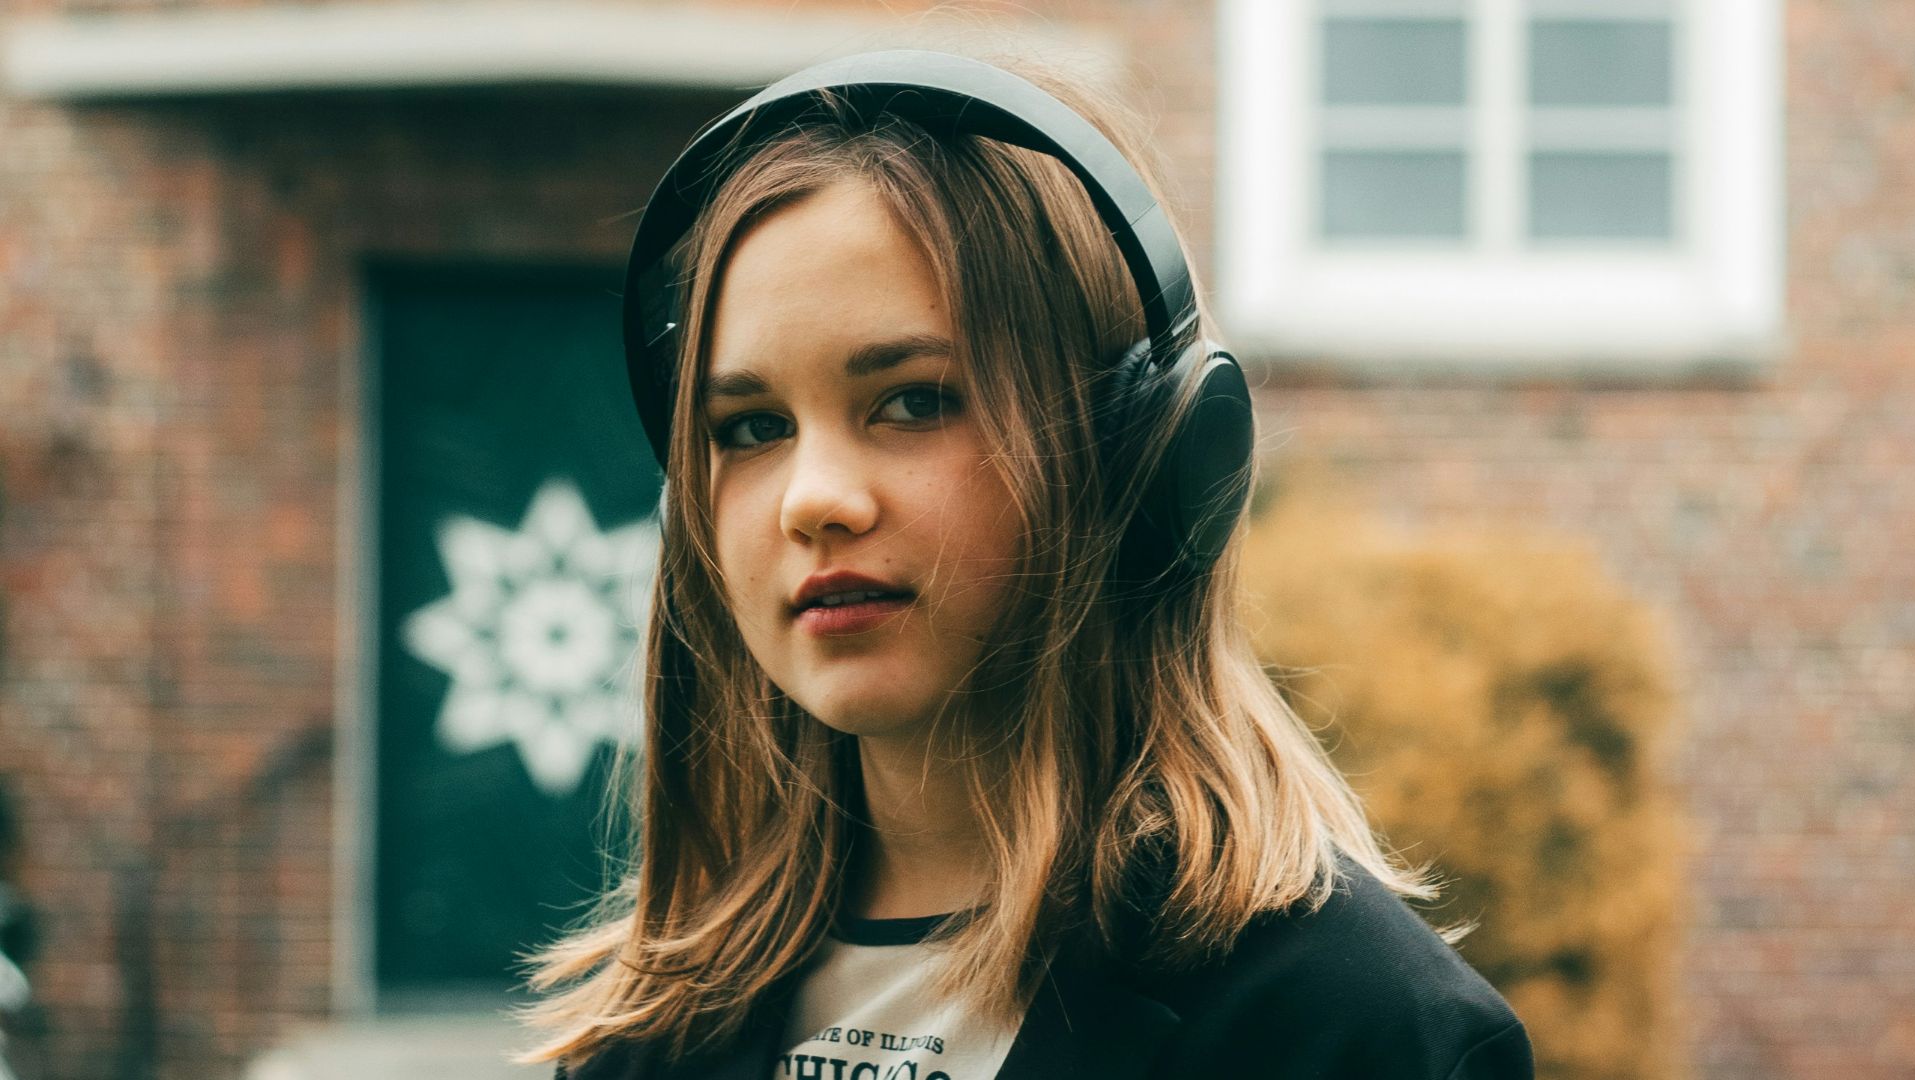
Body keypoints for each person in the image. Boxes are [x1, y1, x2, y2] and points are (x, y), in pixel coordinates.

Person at [517, 48, 1534, 1080]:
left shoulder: (1358, 1033)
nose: (812, 499)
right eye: (751, 425)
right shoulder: (647, 1043)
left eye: (913, 401)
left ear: (1139, 459)